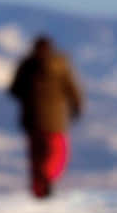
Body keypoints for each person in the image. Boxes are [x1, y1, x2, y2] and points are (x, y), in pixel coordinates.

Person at [7, 35, 84, 199]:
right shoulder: (61, 65)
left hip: (32, 120)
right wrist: (77, 106)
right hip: (55, 121)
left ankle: (38, 191)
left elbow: (14, 90)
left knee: (36, 157)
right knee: (57, 155)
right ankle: (48, 178)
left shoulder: (26, 66)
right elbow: (72, 88)